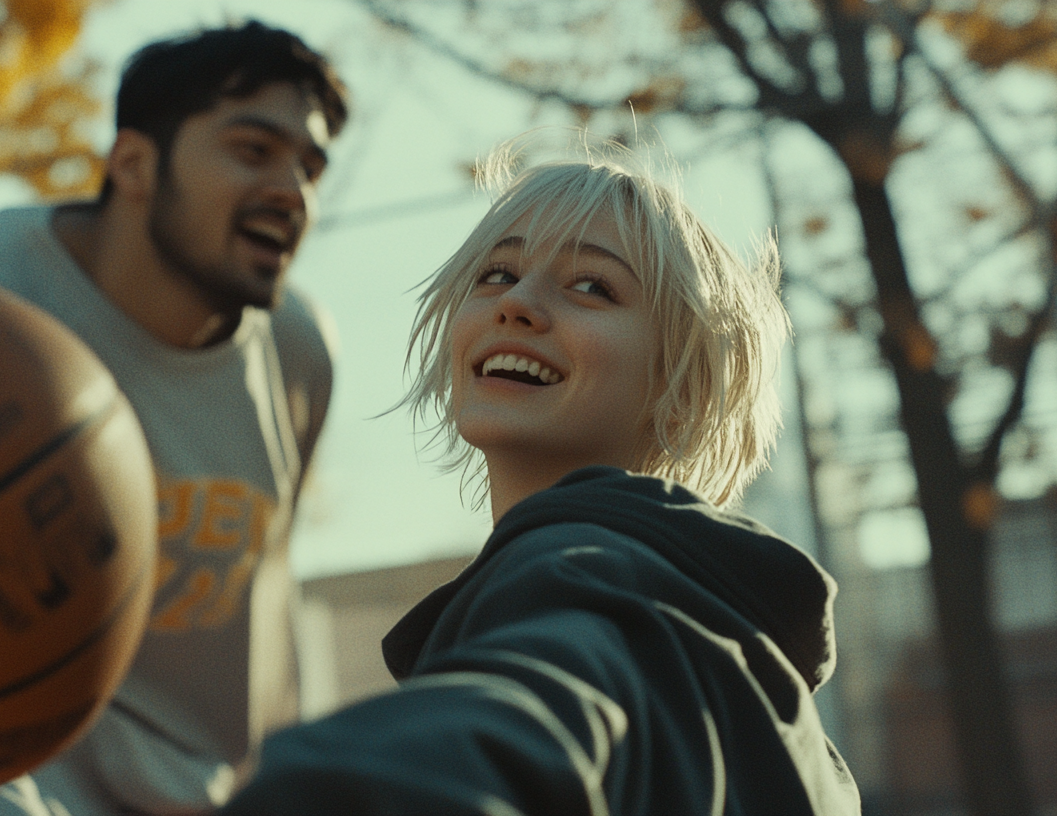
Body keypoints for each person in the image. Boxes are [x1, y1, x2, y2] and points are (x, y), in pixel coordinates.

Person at [217, 137, 861, 815]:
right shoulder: (785, 720)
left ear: (685, 395)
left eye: (592, 285)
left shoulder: (586, 578)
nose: (517, 302)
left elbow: (528, 707)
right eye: (496, 274)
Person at [0, 20, 349, 816]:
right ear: (132, 164)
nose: (292, 191)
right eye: (252, 150)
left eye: (309, 167)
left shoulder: (300, 352)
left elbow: (267, 601)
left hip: (203, 791)